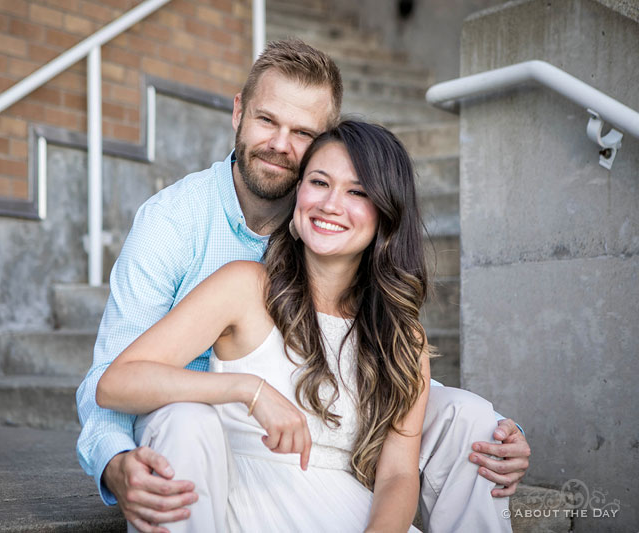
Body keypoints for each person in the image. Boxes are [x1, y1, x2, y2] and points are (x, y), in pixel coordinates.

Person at [76, 40, 530, 533]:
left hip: (321, 446)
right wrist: (114, 460)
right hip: (198, 426)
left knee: (472, 420)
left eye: (303, 133)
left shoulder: (326, 211)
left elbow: (362, 373)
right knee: (188, 420)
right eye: (267, 121)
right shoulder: (177, 225)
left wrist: (502, 433)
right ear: (238, 113)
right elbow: (112, 376)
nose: (279, 144)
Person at [97, 120, 442, 532]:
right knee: (185, 421)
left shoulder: (405, 340)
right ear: (299, 194)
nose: (331, 204)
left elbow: (398, 476)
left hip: (344, 511)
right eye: (319, 182)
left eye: (357, 191)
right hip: (238, 502)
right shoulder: (245, 286)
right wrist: (248, 390)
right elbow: (115, 383)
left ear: (386, 213)